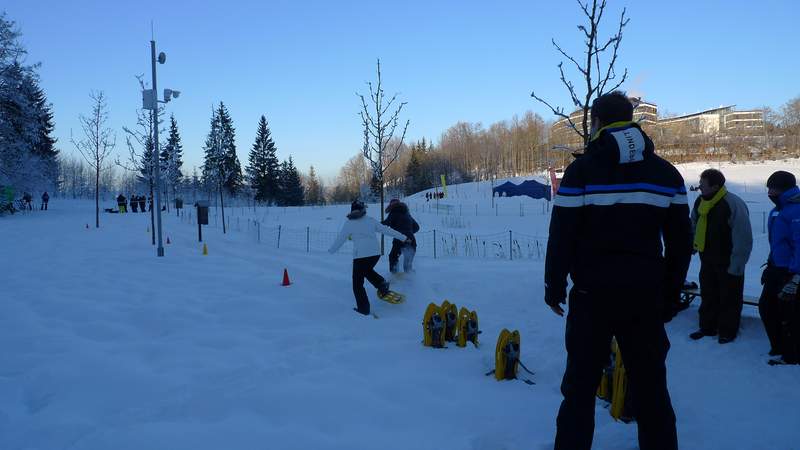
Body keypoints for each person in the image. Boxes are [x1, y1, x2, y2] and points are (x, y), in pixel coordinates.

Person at [544, 91, 692, 450]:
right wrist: (670, 293)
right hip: (644, 296)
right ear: (633, 120)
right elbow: (680, 242)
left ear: (596, 122)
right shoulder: (666, 173)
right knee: (652, 389)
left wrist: (554, 284)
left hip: (591, 296)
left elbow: (562, 233)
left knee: (579, 389)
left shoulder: (581, 171)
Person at [689, 169, 753, 343]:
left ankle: (727, 331)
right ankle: (707, 327)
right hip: (707, 259)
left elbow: (743, 237)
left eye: (703, 183)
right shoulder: (700, 201)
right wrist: (692, 245)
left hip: (729, 261)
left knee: (729, 297)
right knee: (708, 294)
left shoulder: (732, 203)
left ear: (715, 186)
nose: (699, 186)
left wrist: (737, 264)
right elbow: (693, 224)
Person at [329, 200, 410, 316]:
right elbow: (387, 230)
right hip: (374, 254)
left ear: (352, 210)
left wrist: (331, 251)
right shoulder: (370, 220)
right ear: (363, 209)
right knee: (366, 270)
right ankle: (381, 283)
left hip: (360, 256)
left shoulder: (349, 223)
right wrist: (403, 237)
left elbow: (340, 239)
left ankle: (364, 309)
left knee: (357, 283)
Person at [759, 171, 800, 365]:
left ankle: (792, 355)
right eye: (768, 188)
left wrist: (796, 277)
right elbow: (777, 243)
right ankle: (779, 346)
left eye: (772, 188)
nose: (769, 193)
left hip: (791, 272)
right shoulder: (778, 210)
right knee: (767, 307)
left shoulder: (796, 211)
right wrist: (770, 263)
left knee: (789, 314)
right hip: (776, 268)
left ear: (784, 189)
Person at [383, 198, 420, 273]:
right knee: (407, 263)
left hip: (399, 239)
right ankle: (410, 278)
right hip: (411, 240)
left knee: (393, 257)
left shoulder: (394, 212)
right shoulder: (407, 213)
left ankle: (394, 275)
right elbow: (417, 227)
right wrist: (409, 232)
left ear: (391, 205)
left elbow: (386, 223)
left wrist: (375, 225)